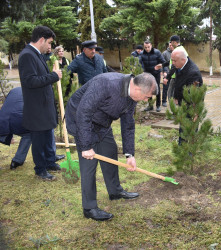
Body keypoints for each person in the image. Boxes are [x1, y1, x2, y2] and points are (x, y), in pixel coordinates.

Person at [65, 72, 158, 221]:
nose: (146, 100)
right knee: (89, 164)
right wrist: (86, 145)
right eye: (147, 97)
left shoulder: (131, 96)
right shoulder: (106, 84)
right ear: (138, 90)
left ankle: (115, 191)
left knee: (109, 151)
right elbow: (84, 113)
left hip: (102, 122)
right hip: (80, 119)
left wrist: (130, 154)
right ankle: (89, 208)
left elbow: (128, 125)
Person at [18, 26, 62, 181]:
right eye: (49, 42)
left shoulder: (36, 54)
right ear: (42, 39)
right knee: (39, 140)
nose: (49, 46)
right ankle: (40, 169)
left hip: (44, 105)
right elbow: (30, 81)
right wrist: (54, 76)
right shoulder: (27, 55)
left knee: (47, 135)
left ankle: (50, 162)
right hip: (36, 108)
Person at [169, 50, 203, 145]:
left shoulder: (193, 73)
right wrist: (176, 96)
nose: (173, 63)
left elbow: (195, 95)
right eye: (172, 60)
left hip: (191, 106)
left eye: (174, 61)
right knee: (183, 127)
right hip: (183, 103)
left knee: (191, 130)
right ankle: (182, 147)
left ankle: (190, 153)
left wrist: (195, 112)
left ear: (183, 60)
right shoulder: (179, 65)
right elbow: (178, 82)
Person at [0, 87, 32, 169]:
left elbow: (10, 106)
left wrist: (7, 135)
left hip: (2, 119)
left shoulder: (14, 90)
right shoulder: (33, 90)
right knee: (29, 134)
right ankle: (17, 161)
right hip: (19, 120)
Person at [138, 40, 167, 112]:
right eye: (145, 47)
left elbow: (163, 62)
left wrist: (165, 71)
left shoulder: (157, 52)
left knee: (157, 89)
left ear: (151, 46)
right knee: (148, 90)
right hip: (147, 74)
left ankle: (158, 105)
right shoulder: (141, 54)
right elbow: (138, 63)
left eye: (148, 47)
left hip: (156, 73)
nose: (147, 49)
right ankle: (150, 105)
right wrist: (139, 69)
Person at [162, 35, 189, 100]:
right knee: (177, 94)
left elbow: (174, 66)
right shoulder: (182, 49)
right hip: (181, 75)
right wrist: (163, 65)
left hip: (176, 76)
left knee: (170, 95)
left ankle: (173, 109)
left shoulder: (177, 50)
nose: (170, 44)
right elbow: (171, 61)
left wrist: (167, 77)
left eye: (171, 42)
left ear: (174, 42)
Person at [161, 42, 174, 107]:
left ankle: (173, 101)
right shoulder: (165, 53)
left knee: (173, 89)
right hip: (167, 74)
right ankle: (164, 101)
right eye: (170, 45)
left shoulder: (176, 52)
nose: (171, 46)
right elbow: (163, 63)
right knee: (165, 88)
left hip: (174, 74)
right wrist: (165, 72)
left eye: (172, 45)